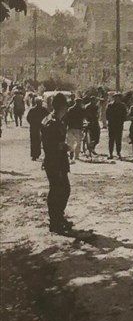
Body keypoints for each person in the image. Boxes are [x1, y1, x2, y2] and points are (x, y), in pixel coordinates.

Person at [41, 93, 73, 234]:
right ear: (61, 107)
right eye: (65, 106)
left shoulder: (57, 120)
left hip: (59, 160)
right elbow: (49, 145)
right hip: (55, 161)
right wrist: (63, 146)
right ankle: (55, 221)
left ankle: (58, 218)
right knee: (58, 190)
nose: (67, 110)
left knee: (63, 190)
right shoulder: (51, 122)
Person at [106, 93, 127, 160]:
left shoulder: (122, 106)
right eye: (115, 97)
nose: (116, 99)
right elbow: (107, 114)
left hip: (119, 124)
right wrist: (110, 121)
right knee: (111, 140)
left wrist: (121, 121)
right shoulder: (110, 105)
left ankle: (118, 153)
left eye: (118, 97)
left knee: (118, 140)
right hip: (111, 124)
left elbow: (125, 115)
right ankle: (110, 153)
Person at [65, 97, 85, 161]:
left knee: (71, 142)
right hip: (78, 128)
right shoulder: (82, 110)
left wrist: (66, 126)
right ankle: (76, 156)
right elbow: (83, 118)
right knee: (78, 142)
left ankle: (71, 151)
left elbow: (67, 118)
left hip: (71, 127)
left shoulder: (70, 109)